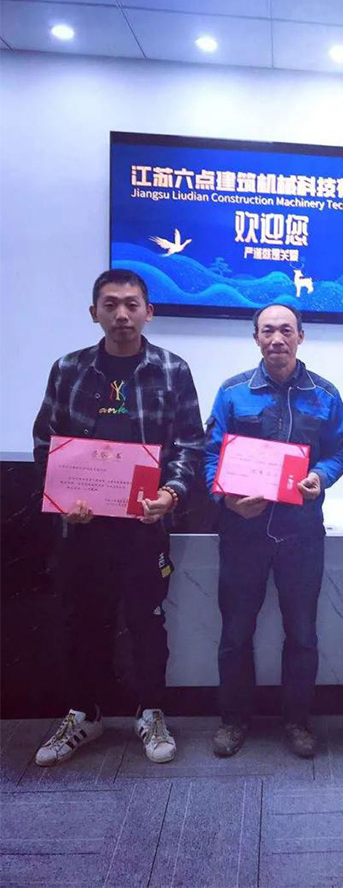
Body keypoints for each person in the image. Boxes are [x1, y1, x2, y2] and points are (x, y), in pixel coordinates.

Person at [32, 269, 204, 766]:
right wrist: (64, 497)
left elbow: (189, 444)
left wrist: (171, 492)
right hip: (83, 526)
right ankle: (84, 714)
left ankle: (151, 712)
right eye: (110, 305)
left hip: (145, 525)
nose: (122, 314)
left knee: (147, 622)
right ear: (95, 313)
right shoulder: (68, 369)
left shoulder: (172, 370)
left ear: (149, 312)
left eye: (132, 304)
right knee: (83, 621)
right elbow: (45, 441)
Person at [205, 303, 343, 759]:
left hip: (301, 532)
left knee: (302, 634)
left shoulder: (325, 395)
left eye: (286, 330)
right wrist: (225, 497)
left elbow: (341, 451)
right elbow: (210, 455)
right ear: (256, 338)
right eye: (267, 331)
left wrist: (320, 476)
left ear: (300, 336)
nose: (277, 339)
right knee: (235, 633)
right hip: (242, 531)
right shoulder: (232, 393)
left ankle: (298, 721)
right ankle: (233, 720)